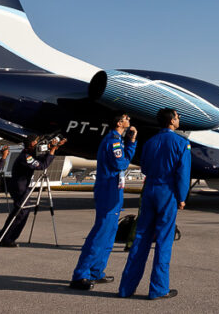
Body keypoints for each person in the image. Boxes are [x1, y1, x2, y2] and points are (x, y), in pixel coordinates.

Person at [118, 109, 191, 300]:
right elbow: (183, 174)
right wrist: (182, 197)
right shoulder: (182, 143)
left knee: (141, 238)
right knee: (164, 241)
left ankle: (126, 288)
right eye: (177, 116)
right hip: (167, 192)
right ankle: (158, 289)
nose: (179, 119)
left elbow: (146, 168)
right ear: (172, 121)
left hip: (149, 189)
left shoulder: (150, 142)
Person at [69, 114, 137, 290]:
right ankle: (80, 275)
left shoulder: (119, 141)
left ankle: (96, 272)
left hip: (114, 190)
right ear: (119, 123)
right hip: (108, 190)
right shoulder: (113, 140)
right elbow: (121, 164)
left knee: (109, 234)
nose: (129, 119)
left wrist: (131, 142)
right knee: (100, 233)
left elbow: (123, 161)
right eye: (125, 118)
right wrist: (129, 146)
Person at [0, 134, 65, 248]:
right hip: (19, 187)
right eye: (36, 141)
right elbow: (42, 165)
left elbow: (41, 158)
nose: (38, 143)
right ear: (31, 143)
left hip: (21, 185)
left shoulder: (30, 153)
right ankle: (6, 239)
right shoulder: (26, 156)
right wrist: (51, 150)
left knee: (19, 212)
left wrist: (54, 148)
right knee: (22, 211)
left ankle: (3, 237)